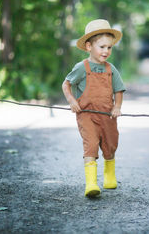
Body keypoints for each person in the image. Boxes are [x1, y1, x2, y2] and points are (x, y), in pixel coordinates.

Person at [62, 19, 125, 197]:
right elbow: (66, 85)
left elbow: (119, 90)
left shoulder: (111, 69)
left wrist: (117, 107)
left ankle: (109, 174)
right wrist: (72, 101)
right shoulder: (81, 68)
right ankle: (91, 184)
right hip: (86, 115)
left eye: (109, 47)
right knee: (91, 145)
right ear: (89, 46)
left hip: (108, 115)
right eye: (102, 47)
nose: (106, 51)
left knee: (110, 145)